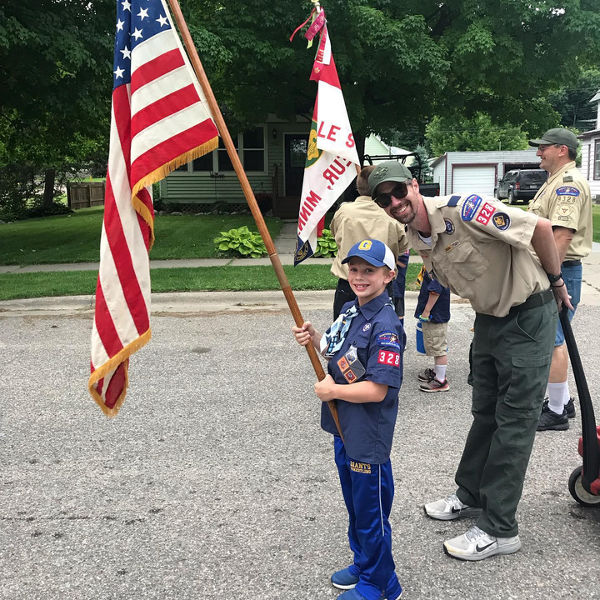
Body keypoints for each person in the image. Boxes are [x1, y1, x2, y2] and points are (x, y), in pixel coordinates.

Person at [368, 160, 571, 562]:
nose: (394, 202)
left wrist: (558, 281)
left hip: (528, 313)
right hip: (490, 320)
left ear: (413, 185)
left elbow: (541, 229)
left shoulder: (465, 209)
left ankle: (500, 528)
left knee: (514, 421)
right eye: (384, 199)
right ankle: (471, 494)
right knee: (485, 412)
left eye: (397, 191)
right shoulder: (416, 237)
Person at [292, 239, 405, 600]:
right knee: (356, 508)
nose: (359, 277)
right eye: (354, 269)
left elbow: (378, 390)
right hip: (344, 429)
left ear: (388, 275)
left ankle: (381, 583)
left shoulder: (386, 325)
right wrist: (314, 338)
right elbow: (337, 348)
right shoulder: (352, 310)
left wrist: (334, 392)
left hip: (366, 436)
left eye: (369, 270)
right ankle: (364, 562)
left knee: (371, 513)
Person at [528, 128, 592, 431]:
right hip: (558, 271)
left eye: (544, 148)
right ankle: (562, 400)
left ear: (562, 150)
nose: (539, 152)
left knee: (553, 340)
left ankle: (555, 412)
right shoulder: (555, 182)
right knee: (553, 337)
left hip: (561, 271)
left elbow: (562, 236)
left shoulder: (568, 184)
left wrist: (552, 277)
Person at [330, 165, 408, 319]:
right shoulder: (391, 213)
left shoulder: (344, 212)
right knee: (381, 330)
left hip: (348, 284)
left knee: (341, 335)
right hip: (381, 285)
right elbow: (403, 245)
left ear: (358, 187)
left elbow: (335, 234)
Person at [414, 268, 451, 392]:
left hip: (435, 316)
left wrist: (426, 311)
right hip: (436, 315)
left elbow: (435, 291)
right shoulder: (435, 265)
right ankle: (437, 372)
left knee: (438, 348)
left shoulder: (437, 267)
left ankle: (441, 380)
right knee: (435, 346)